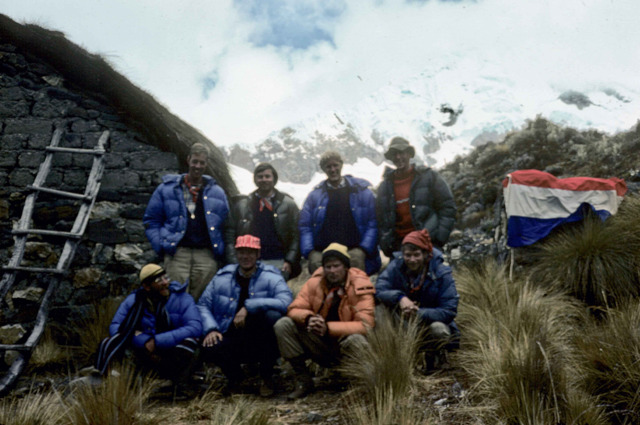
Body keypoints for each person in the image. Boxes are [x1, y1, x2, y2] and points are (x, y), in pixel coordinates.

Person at [274, 243, 375, 399]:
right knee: (283, 325)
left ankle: (360, 384)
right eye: (328, 267)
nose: (332, 271)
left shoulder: (360, 285)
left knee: (357, 340)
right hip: (319, 342)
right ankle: (303, 380)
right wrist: (309, 318)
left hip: (344, 345)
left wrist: (328, 328)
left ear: (346, 267)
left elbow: (365, 325)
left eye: (336, 266)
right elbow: (294, 308)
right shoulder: (315, 282)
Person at [198, 235, 293, 397]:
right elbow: (202, 305)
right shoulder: (222, 276)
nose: (245, 257)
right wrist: (211, 329)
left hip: (259, 335)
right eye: (241, 252)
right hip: (230, 331)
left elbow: (286, 301)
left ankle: (266, 376)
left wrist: (249, 307)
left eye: (250, 252)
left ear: (258, 254)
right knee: (209, 343)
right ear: (236, 254)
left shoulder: (272, 275)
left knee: (272, 316)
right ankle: (235, 378)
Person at [95, 264, 202, 392]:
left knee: (190, 344)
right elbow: (117, 327)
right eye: (158, 280)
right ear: (147, 286)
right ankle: (106, 380)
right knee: (113, 341)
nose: (165, 283)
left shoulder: (183, 298)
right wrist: (144, 340)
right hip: (144, 351)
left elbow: (195, 327)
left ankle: (179, 383)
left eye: (165, 278)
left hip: (172, 349)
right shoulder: (135, 300)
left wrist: (157, 341)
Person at [143, 142, 229, 301]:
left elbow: (227, 225)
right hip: (178, 253)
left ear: (206, 164)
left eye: (202, 162)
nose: (198, 166)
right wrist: (161, 246)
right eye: (195, 161)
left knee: (202, 300)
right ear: (188, 160)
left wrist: (219, 251)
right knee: (175, 299)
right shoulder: (167, 188)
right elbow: (151, 220)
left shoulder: (217, 192)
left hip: (206, 255)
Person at [375, 229, 459, 370]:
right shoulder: (396, 266)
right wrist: (400, 297)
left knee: (439, 330)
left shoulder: (441, 272)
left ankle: (436, 354)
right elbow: (379, 289)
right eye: (408, 255)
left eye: (416, 255)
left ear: (426, 254)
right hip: (403, 322)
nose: (412, 260)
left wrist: (418, 312)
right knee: (379, 310)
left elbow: (449, 310)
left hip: (430, 322)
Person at [299, 151, 380, 275]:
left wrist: (363, 249)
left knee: (355, 285)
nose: (333, 170)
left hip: (355, 249)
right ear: (323, 169)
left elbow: (373, 222)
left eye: (335, 165)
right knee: (322, 286)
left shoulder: (361, 191)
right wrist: (310, 252)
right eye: (328, 167)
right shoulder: (314, 196)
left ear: (341, 165)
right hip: (324, 251)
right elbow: (305, 226)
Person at [376, 137, 456, 257]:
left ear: (409, 154)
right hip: (400, 247)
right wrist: (386, 245)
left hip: (428, 244)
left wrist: (439, 238)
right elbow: (380, 219)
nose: (398, 157)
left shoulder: (429, 177)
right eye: (394, 154)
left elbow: (448, 207)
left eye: (402, 153)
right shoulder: (384, 187)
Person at [225, 163, 301, 280]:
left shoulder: (288, 205)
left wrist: (289, 261)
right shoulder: (242, 205)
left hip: (278, 261)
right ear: (255, 179)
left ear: (274, 179)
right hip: (248, 262)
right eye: (260, 177)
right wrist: (235, 261)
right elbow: (230, 234)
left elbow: (296, 235)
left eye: (267, 176)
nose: (264, 180)